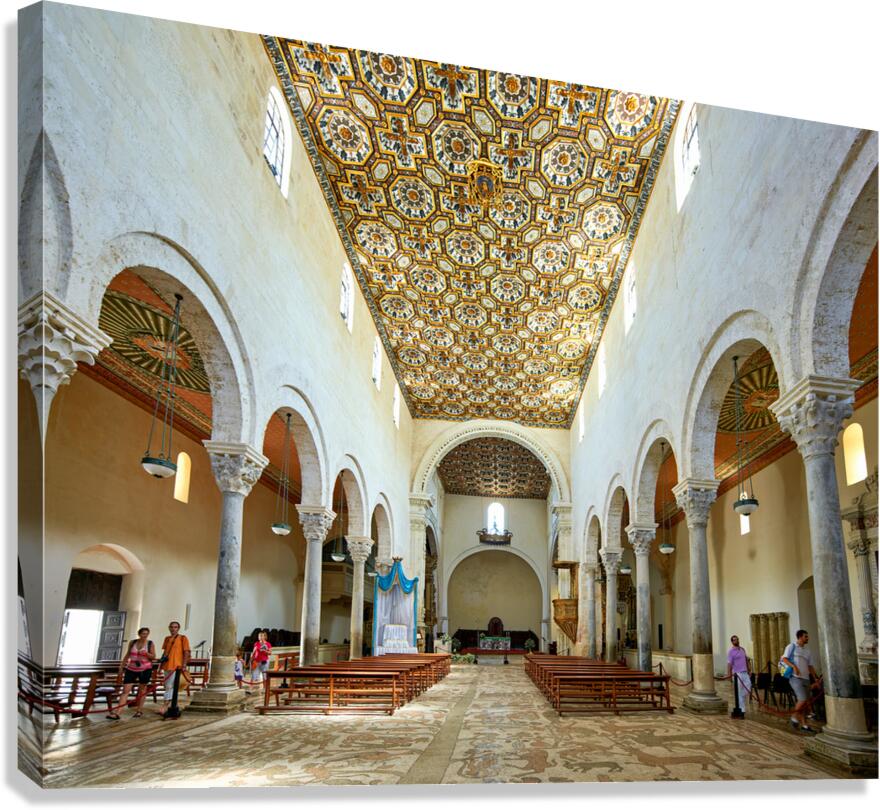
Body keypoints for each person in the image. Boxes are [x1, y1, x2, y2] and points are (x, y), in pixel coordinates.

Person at [107, 627, 155, 720]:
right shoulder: (133, 642)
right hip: (131, 668)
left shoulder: (150, 643)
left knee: (142, 690)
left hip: (145, 669)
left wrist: (146, 654)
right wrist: (122, 665)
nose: (144, 635)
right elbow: (128, 654)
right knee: (125, 690)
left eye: (146, 634)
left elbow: (153, 656)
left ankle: (139, 710)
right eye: (143, 633)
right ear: (139, 634)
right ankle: (118, 712)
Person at [781, 629, 821, 731]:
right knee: (802, 698)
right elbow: (784, 659)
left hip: (806, 678)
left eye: (807, 636)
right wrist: (794, 666)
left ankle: (804, 725)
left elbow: (810, 666)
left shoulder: (807, 651)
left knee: (805, 703)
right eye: (805, 636)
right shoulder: (792, 646)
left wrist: (815, 678)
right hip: (795, 677)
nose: (807, 638)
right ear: (800, 637)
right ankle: (794, 717)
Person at [159, 620, 190, 716]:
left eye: (175, 627)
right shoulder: (167, 639)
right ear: (169, 628)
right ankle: (174, 704)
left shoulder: (182, 638)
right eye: (172, 627)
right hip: (167, 665)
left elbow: (186, 652)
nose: (173, 629)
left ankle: (165, 705)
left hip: (176, 665)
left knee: (170, 686)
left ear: (178, 628)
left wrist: (184, 665)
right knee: (168, 685)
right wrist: (160, 665)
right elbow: (165, 652)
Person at [726, 634, 752, 715]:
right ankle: (742, 709)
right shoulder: (731, 652)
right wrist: (729, 675)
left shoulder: (742, 649)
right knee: (739, 691)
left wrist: (749, 670)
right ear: (732, 642)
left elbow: (746, 660)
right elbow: (729, 664)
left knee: (748, 686)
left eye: (737, 639)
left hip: (745, 672)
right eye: (734, 640)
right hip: (737, 674)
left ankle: (742, 700)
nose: (736, 641)